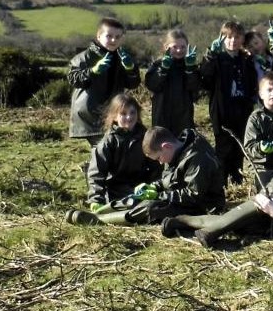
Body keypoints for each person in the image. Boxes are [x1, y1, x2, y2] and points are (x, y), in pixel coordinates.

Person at [67, 125, 224, 226]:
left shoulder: (199, 159)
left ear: (166, 146)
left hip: (204, 206)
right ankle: (100, 211)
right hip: (182, 197)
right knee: (138, 197)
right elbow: (171, 179)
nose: (161, 162)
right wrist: (154, 186)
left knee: (150, 207)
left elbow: (193, 195)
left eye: (159, 158)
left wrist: (159, 195)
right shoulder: (177, 150)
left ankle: (99, 220)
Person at [199, 21, 258, 185]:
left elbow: (252, 83)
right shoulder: (217, 59)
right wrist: (209, 56)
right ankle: (221, 183)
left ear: (242, 39)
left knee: (239, 148)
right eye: (229, 37)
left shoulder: (246, 60)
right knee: (223, 149)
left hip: (242, 111)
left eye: (237, 37)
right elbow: (205, 80)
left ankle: (237, 181)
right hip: (222, 112)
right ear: (222, 38)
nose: (233, 41)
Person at [67, 17, 140, 147]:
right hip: (89, 113)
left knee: (111, 148)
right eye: (109, 36)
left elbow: (133, 84)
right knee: (104, 148)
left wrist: (130, 69)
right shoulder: (84, 57)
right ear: (99, 36)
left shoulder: (123, 57)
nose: (113, 40)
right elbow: (74, 80)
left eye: (118, 37)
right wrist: (93, 71)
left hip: (114, 111)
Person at [84, 93, 161, 208]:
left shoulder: (146, 137)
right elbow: (97, 173)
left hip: (141, 189)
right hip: (115, 192)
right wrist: (96, 199)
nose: (129, 117)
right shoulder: (108, 142)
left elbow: (156, 167)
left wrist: (155, 187)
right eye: (123, 114)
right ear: (115, 116)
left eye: (132, 112)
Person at [143, 28, 201, 136]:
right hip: (161, 118)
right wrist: (163, 69)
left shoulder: (190, 66)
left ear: (187, 47)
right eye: (175, 47)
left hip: (184, 120)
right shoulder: (158, 64)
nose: (179, 50)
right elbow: (152, 85)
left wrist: (190, 70)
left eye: (183, 47)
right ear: (166, 47)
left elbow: (195, 90)